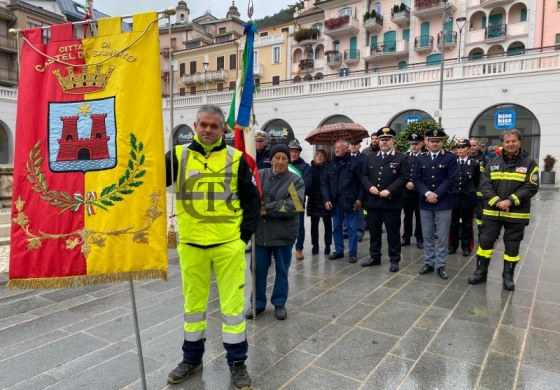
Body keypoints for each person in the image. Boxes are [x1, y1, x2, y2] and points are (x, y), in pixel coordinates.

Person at [165, 104, 260, 389]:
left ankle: (237, 362)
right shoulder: (177, 156)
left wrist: (241, 238)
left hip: (228, 245)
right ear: (195, 126)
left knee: (232, 308)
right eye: (203, 125)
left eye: (214, 126)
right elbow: (150, 184)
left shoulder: (238, 158)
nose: (207, 130)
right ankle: (191, 359)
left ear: (222, 130)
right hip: (192, 244)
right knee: (193, 307)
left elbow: (253, 201)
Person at [468, 129, 539, 291]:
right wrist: (497, 201)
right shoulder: (493, 162)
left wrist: (510, 201)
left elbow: (531, 186)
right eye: (507, 141)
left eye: (513, 141)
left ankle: (508, 277)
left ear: (519, 141)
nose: (510, 144)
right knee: (485, 242)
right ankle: (481, 272)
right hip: (493, 212)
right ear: (503, 144)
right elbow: (484, 184)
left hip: (516, 213)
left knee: (512, 246)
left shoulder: (530, 163)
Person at [247, 144, 305, 320]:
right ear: (270, 159)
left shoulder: (295, 180)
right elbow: (250, 198)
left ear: (289, 160)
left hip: (283, 234)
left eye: (284, 158)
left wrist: (266, 209)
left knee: (282, 270)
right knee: (257, 270)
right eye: (277, 157)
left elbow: (293, 205)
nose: (280, 162)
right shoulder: (259, 175)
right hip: (261, 233)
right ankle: (257, 303)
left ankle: (279, 303)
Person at [360, 127, 409, 272]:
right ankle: (375, 257)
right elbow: (364, 176)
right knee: (374, 232)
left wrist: (389, 190)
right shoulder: (370, 157)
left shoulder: (402, 158)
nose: (384, 142)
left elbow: (404, 177)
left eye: (387, 139)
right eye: (382, 139)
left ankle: (394, 259)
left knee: (393, 233)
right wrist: (369, 187)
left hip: (391, 202)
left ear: (394, 141)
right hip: (373, 202)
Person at [413, 128, 458, 280]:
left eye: (437, 141)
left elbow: (451, 179)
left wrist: (436, 194)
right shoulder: (421, 158)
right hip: (425, 202)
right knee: (427, 235)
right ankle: (429, 262)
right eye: (432, 141)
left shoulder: (450, 158)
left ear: (442, 142)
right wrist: (427, 193)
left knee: (443, 236)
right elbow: (416, 179)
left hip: (443, 202)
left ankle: (441, 265)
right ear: (426, 142)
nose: (434, 144)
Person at [322, 139, 365, 263]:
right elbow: (324, 183)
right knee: (336, 228)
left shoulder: (355, 163)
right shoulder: (330, 164)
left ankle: (352, 253)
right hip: (335, 202)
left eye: (339, 147)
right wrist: (326, 199)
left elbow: (362, 183)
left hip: (351, 201)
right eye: (335, 147)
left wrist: (360, 198)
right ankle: (339, 250)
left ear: (347, 149)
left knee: (352, 229)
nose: (336, 149)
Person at [448, 138, 480, 257]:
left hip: (468, 197)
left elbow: (476, 181)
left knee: (467, 224)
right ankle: (452, 245)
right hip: (454, 197)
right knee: (453, 223)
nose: (460, 150)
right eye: (458, 148)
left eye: (463, 147)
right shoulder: (452, 163)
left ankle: (466, 247)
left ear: (468, 149)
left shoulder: (474, 164)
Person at [288, 139, 312, 260]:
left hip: (298, 199)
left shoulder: (305, 167)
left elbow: (307, 184)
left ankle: (299, 249)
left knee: (299, 225)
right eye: (291, 151)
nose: (293, 154)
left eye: (296, 151)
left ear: (299, 153)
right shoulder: (282, 163)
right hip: (282, 199)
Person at [401, 133, 426, 249]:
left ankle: (419, 238)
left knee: (420, 216)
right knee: (407, 216)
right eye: (412, 144)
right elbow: (402, 173)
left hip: (420, 191)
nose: (414, 146)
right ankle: (406, 237)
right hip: (407, 191)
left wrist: (416, 184)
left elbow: (426, 175)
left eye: (416, 144)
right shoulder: (405, 156)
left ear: (421, 144)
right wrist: (407, 183)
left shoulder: (425, 156)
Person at [307, 149, 332, 255]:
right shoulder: (310, 169)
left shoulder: (328, 168)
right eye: (317, 155)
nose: (319, 157)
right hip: (313, 198)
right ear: (314, 157)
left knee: (327, 224)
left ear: (325, 158)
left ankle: (327, 245)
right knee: (314, 224)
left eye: (322, 155)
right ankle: (315, 245)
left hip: (325, 199)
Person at [348, 140, 367, 241]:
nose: (353, 146)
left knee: (360, 211)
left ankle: (360, 232)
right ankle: (346, 230)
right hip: (348, 189)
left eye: (355, 144)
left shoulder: (364, 158)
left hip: (360, 187)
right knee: (346, 210)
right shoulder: (345, 157)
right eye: (351, 144)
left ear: (359, 145)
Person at [469, 137, 488, 226]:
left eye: (474, 145)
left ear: (478, 146)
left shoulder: (485, 159)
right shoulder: (463, 158)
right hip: (467, 192)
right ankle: (462, 235)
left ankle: (482, 235)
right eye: (470, 145)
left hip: (480, 194)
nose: (472, 147)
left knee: (481, 216)